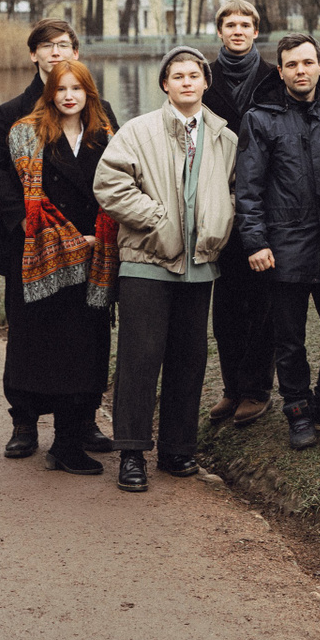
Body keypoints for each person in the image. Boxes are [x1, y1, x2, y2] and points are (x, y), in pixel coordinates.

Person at [94, 47, 238, 493]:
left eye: (194, 75)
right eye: (178, 76)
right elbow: (109, 183)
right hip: (147, 263)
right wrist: (157, 219)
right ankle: (132, 453)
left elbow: (235, 190)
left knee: (189, 360)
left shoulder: (225, 138)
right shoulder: (138, 131)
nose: (186, 82)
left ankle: (178, 449)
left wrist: (220, 221)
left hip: (200, 266)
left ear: (206, 82)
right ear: (165, 84)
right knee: (139, 359)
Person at [0, 18, 116, 458]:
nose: (55, 52)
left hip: (90, 244)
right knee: (30, 334)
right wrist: (24, 220)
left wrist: (102, 229)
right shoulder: (14, 112)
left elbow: (116, 168)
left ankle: (84, 418)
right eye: (47, 45)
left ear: (76, 53)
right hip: (32, 244)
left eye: (63, 44)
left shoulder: (99, 110)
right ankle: (24, 422)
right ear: (33, 55)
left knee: (88, 333)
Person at [236, 32, 320, 451]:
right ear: (280, 71)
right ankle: (297, 410)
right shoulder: (260, 119)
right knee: (289, 340)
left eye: (308, 62)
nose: (301, 71)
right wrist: (255, 241)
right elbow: (249, 189)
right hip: (284, 246)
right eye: (292, 65)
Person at [201, 0, 287, 430]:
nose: (237, 30)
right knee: (226, 301)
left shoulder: (273, 77)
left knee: (262, 301)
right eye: (229, 24)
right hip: (216, 201)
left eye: (244, 24)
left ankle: (256, 389)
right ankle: (232, 387)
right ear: (219, 32)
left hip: (264, 200)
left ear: (256, 30)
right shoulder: (203, 77)